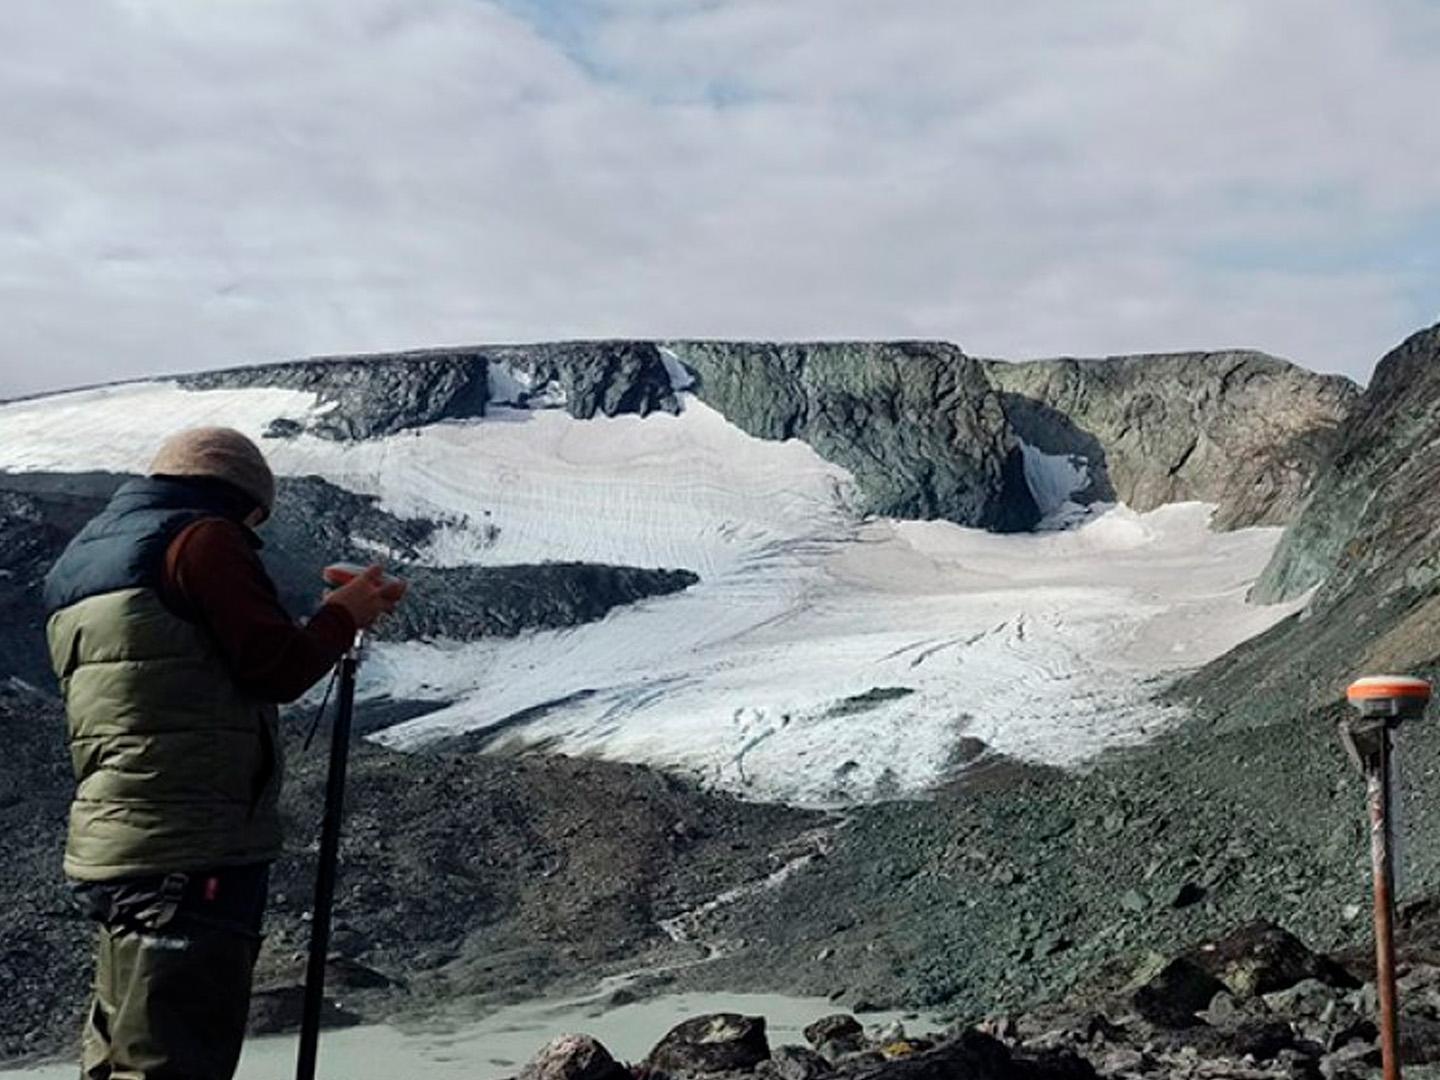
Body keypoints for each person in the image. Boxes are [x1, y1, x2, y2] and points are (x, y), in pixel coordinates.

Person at [42, 427, 405, 1080]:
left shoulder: (83, 564)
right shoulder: (204, 539)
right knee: (174, 1058)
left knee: (120, 1053)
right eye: (254, 519)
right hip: (194, 842)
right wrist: (341, 615)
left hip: (114, 843)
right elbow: (275, 666)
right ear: (235, 495)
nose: (251, 533)